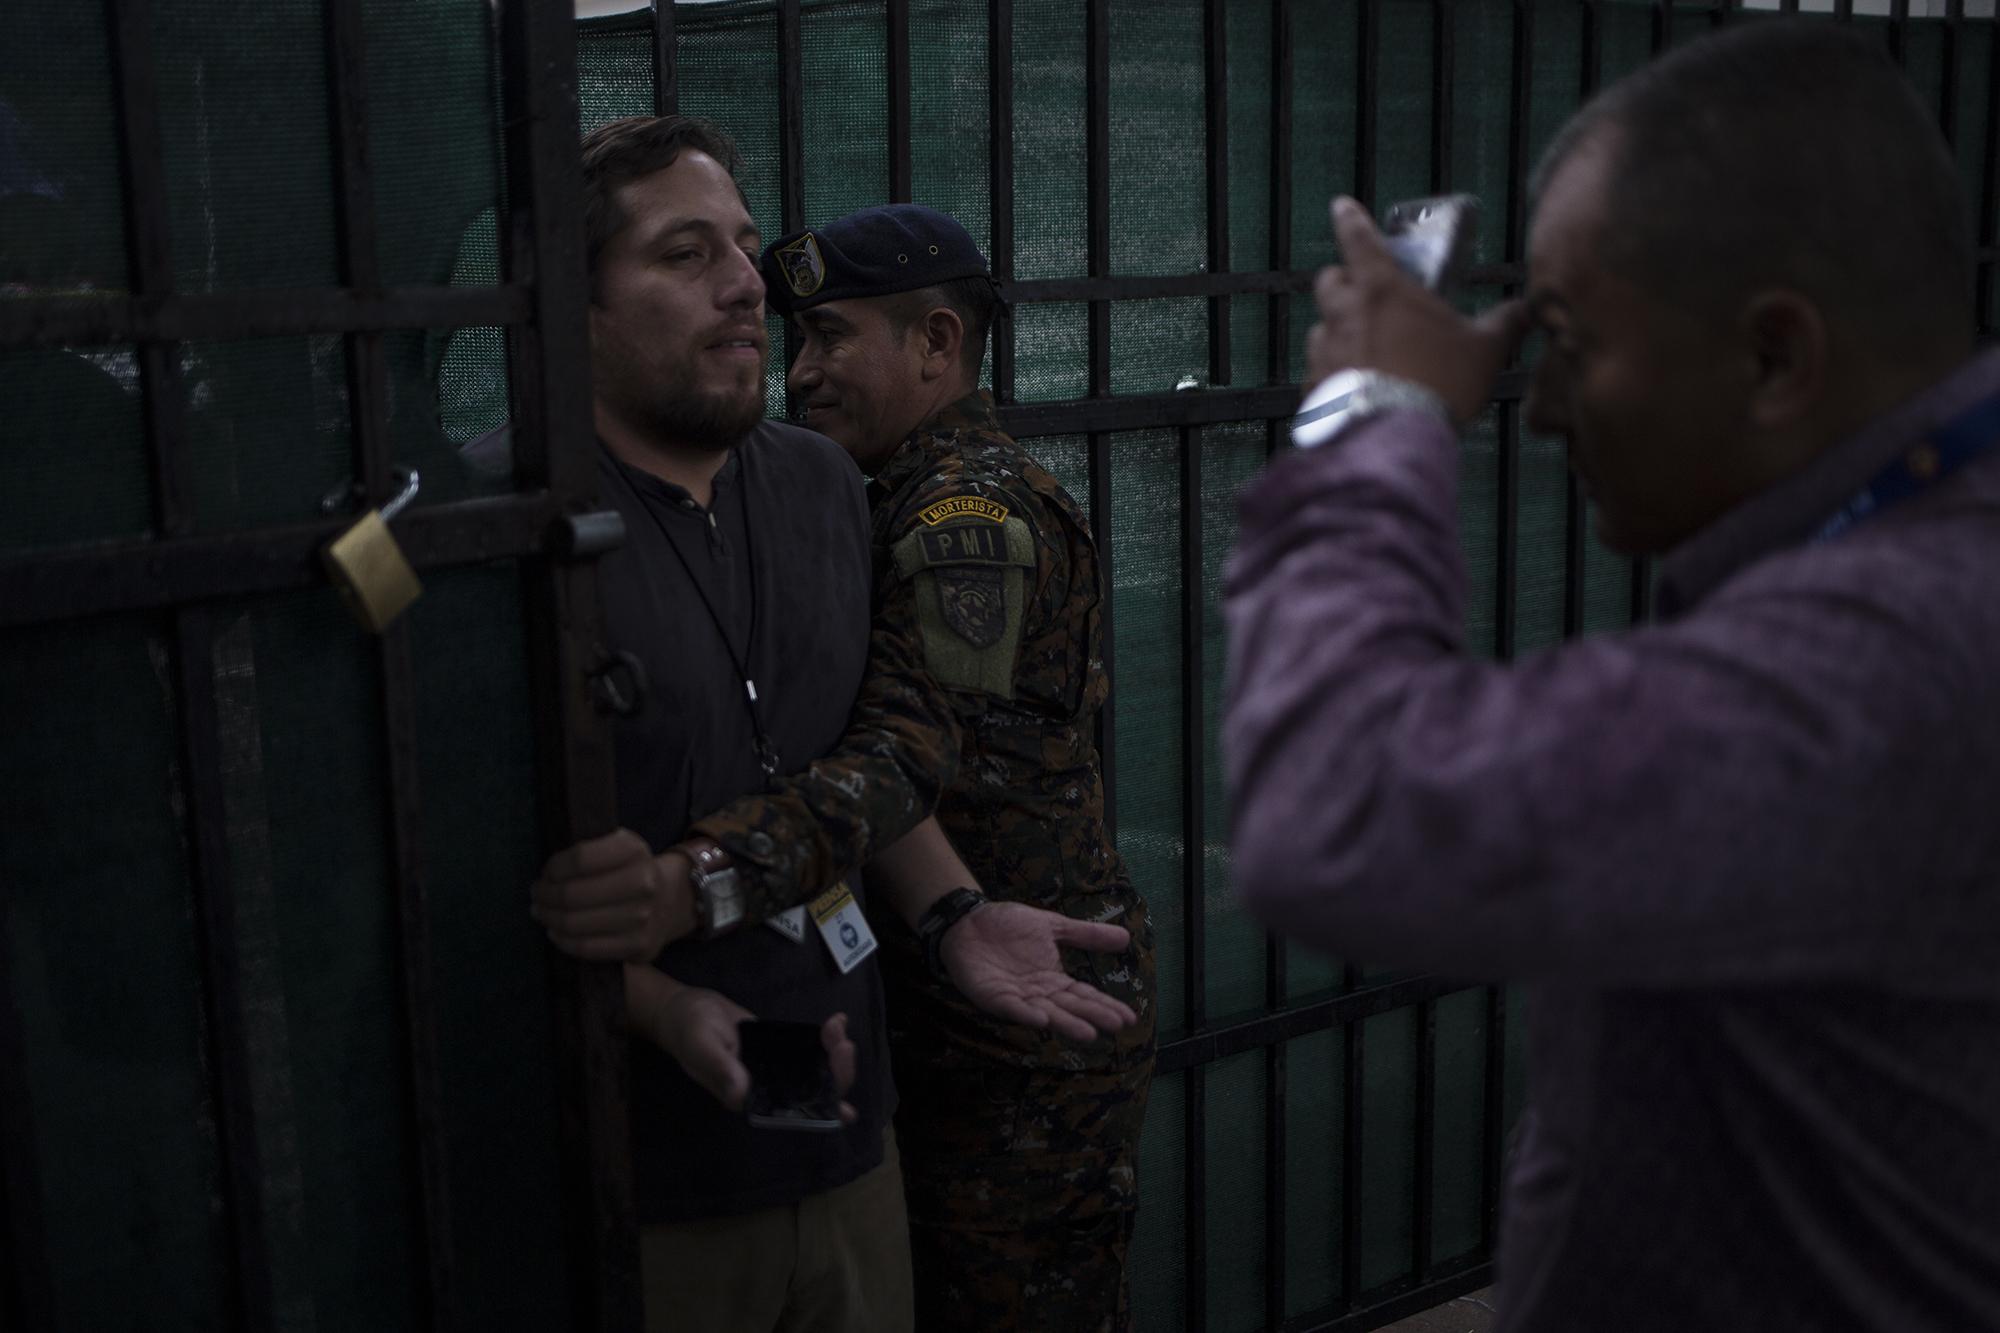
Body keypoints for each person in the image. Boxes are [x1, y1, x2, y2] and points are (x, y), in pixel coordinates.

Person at [1223, 20, 2000, 1333]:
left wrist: (1370, 413)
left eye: (1571, 340)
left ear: (1775, 358)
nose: (1538, 410)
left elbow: (1340, 805)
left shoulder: (1889, 657)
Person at [505, 116, 1135, 1333]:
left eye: (741, 251)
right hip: (668, 1159)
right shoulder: (510, 529)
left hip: (877, 1090)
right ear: (568, 303)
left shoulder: (853, 494)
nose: (751, 298)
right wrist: (659, 990)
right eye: (687, 254)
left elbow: (888, 747)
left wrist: (931, 907)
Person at [717, 203, 1154, 1331]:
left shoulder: (967, 513)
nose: (800, 373)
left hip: (1014, 1031)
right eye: (795, 342)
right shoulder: (885, 497)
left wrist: (713, 868)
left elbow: (918, 752)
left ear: (937, 344)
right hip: (946, 995)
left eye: (832, 338)